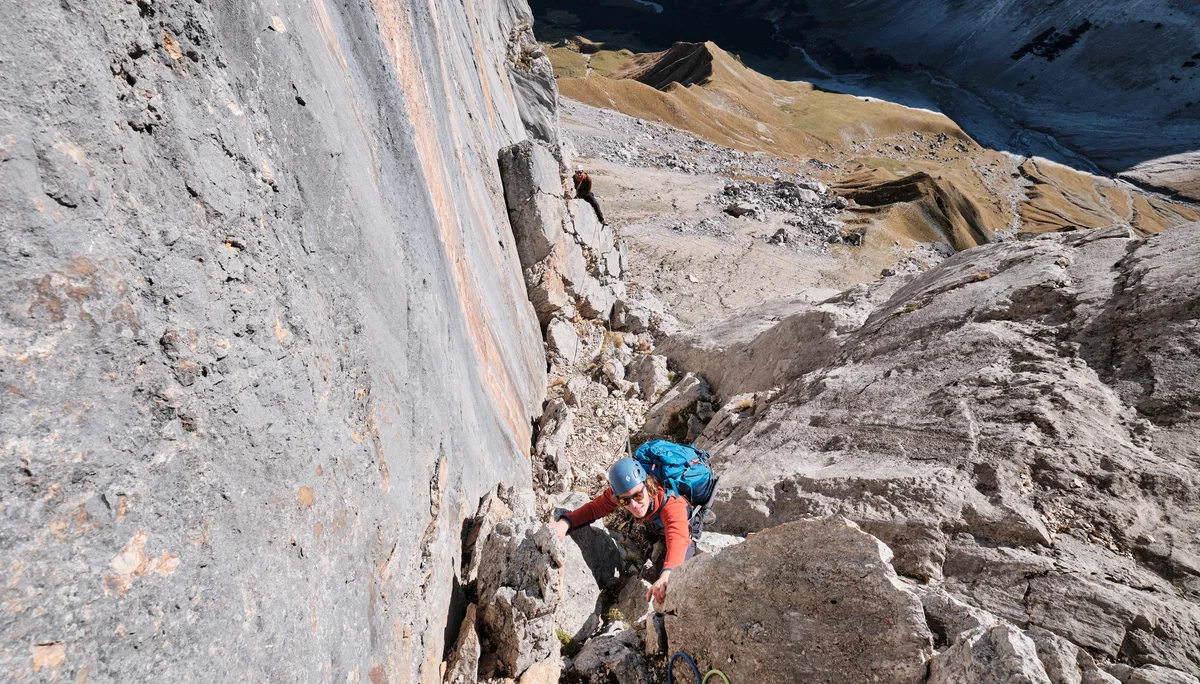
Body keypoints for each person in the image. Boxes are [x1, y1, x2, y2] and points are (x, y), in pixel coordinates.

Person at [551, 457, 697, 605]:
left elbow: (678, 538)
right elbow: (593, 509)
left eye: (638, 496)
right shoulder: (622, 491)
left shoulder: (672, 504)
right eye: (624, 501)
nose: (633, 504)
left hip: (684, 527)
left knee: (673, 582)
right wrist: (565, 523)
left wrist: (667, 574)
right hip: (658, 525)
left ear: (648, 486)